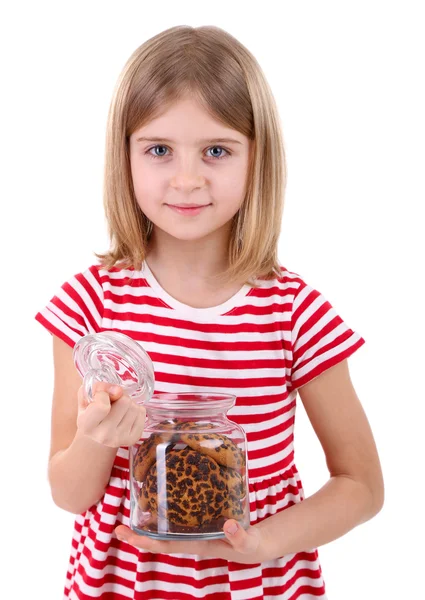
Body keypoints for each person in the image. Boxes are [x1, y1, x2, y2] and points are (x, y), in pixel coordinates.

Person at [36, 24, 384, 600]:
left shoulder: (294, 312)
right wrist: (100, 440)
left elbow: (362, 485)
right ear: (124, 157)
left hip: (258, 584)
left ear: (257, 159)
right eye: (159, 150)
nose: (188, 178)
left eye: (217, 150)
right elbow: (69, 495)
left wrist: (260, 543)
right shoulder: (90, 304)